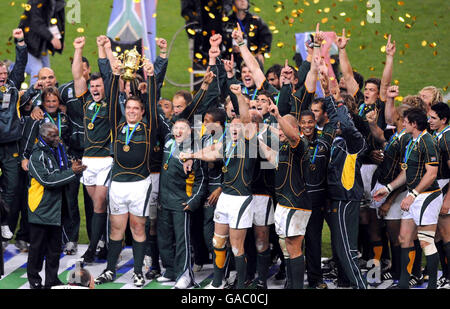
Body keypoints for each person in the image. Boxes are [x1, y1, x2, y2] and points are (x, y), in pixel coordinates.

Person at [181, 84, 257, 289]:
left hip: (241, 199)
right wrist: (191, 155)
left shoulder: (249, 142)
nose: (235, 128)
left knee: (237, 247)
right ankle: (217, 282)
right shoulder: (227, 143)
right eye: (232, 125)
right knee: (218, 242)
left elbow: (246, 118)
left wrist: (240, 95)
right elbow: (211, 152)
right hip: (226, 198)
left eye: (238, 126)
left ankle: (241, 286)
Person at [94, 60, 158, 287]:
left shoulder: (149, 128)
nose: (131, 111)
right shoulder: (117, 126)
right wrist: (113, 75)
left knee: (138, 227)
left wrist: (150, 77)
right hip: (118, 184)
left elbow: (151, 102)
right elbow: (112, 103)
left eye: (136, 109)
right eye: (128, 108)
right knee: (116, 228)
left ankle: (138, 271)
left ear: (142, 112)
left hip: (140, 184)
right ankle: (110, 270)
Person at [373, 108, 443, 289]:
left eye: (405, 122)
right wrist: (388, 188)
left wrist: (412, 195)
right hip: (415, 196)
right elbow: (406, 172)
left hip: (427, 197)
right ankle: (403, 283)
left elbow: (432, 174)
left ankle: (432, 285)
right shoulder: (413, 141)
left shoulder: (428, 142)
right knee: (404, 238)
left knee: (426, 241)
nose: (402, 124)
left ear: (413, 124)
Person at [320, 69, 368, 289]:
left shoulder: (354, 141)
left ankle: (361, 286)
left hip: (346, 197)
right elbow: (336, 118)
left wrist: (337, 101)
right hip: (339, 197)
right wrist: (327, 90)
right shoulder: (340, 138)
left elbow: (346, 124)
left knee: (346, 249)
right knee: (341, 248)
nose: (336, 122)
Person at [26, 122, 86, 289]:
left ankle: (51, 279)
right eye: (53, 135)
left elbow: (64, 171)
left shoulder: (58, 149)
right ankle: (34, 280)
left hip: (57, 207)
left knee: (54, 249)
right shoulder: (37, 156)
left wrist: (77, 169)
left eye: (57, 134)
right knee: (37, 249)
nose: (57, 138)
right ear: (44, 137)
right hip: (41, 208)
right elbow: (47, 180)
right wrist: (71, 172)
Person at [72, 36, 113, 264]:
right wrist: (78, 49)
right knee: (97, 207)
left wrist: (101, 48)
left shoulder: (112, 102)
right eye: (93, 86)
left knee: (99, 204)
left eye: (99, 86)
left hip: (105, 160)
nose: (95, 88)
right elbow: (78, 76)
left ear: (105, 87)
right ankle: (103, 242)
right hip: (87, 160)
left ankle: (91, 250)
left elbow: (109, 73)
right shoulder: (86, 100)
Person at [156, 119, 207, 289]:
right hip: (164, 201)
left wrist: (193, 202)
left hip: (181, 202)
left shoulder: (193, 152)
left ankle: (185, 275)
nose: (178, 131)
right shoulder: (169, 142)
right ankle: (170, 270)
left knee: (181, 240)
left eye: (182, 128)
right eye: (176, 128)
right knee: (164, 239)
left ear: (190, 132)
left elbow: (201, 179)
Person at [0, 29, 27, 248]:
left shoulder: (13, 85)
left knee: (12, 187)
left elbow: (21, 63)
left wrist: (20, 41)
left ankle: (4, 223)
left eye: (4, 73)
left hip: (11, 145)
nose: (2, 76)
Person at [427, 102, 450, 289]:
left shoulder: (447, 139)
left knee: (445, 234)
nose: (429, 121)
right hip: (438, 188)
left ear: (443, 120)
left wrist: (448, 199)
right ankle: (446, 275)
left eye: (433, 118)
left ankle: (449, 277)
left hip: (445, 188)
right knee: (436, 236)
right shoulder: (438, 135)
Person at [19, 0, 65, 85]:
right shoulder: (35, 2)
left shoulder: (57, 2)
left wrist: (60, 39)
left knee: (47, 70)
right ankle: (34, 97)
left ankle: (13, 67)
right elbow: (36, 23)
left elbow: (56, 21)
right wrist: (52, 38)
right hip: (29, 41)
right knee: (37, 70)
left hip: (43, 42)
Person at [223, 0, 272, 74]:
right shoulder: (227, 22)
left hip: (251, 60)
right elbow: (223, 41)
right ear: (233, 2)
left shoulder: (255, 20)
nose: (243, 1)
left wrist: (261, 52)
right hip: (232, 62)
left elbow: (266, 36)